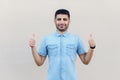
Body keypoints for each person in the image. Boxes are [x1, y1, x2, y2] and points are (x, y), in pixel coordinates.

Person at [29, 9, 96, 80]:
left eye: (65, 19)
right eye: (59, 19)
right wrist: (33, 47)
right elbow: (39, 62)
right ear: (54, 21)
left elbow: (85, 61)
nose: (61, 22)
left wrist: (92, 47)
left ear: (69, 21)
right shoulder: (47, 39)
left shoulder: (76, 39)